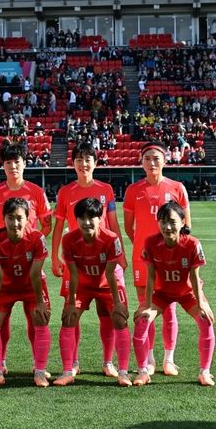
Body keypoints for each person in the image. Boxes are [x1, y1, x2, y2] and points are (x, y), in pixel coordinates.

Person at [52, 141, 127, 378]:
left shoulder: (106, 189)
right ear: (72, 163)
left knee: (108, 314)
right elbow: (59, 226)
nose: (83, 164)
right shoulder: (65, 192)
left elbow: (113, 225)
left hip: (105, 259)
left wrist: (121, 254)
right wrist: (55, 257)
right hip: (75, 260)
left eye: (88, 159)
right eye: (79, 160)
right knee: (72, 312)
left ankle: (108, 362)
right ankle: (72, 363)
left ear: (95, 162)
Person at [0, 144, 52, 371]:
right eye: (8, 162)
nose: (13, 166)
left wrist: (31, 244)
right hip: (4, 261)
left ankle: (38, 365)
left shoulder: (36, 191)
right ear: (2, 165)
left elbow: (47, 224)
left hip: (30, 262)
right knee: (0, 318)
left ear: (25, 163)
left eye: (17, 161)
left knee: (37, 316)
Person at [124, 141, 190, 377]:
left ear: (164, 160)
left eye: (156, 158)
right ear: (141, 162)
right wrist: (146, 249)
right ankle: (149, 359)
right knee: (146, 309)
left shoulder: (177, 187)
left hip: (170, 260)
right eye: (147, 158)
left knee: (170, 310)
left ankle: (169, 359)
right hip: (143, 260)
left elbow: (186, 226)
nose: (152, 163)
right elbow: (129, 228)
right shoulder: (133, 190)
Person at [133, 201, 215, 387]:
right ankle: (143, 371)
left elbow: (195, 278)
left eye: (172, 221)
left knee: (206, 321)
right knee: (142, 321)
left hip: (187, 293)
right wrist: (146, 305)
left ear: (183, 222)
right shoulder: (151, 242)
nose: (167, 226)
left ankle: (205, 372)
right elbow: (151, 277)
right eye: (162, 221)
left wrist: (201, 304)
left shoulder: (193, 244)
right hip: (162, 293)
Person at [54, 198, 132, 387]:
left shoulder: (111, 239)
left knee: (118, 318)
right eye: (82, 218)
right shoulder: (69, 239)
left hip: (107, 282)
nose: (86, 222)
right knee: (69, 317)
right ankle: (68, 370)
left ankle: (120, 370)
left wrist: (118, 303)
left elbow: (110, 273)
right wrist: (71, 302)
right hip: (82, 283)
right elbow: (72, 274)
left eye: (91, 217)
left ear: (100, 218)